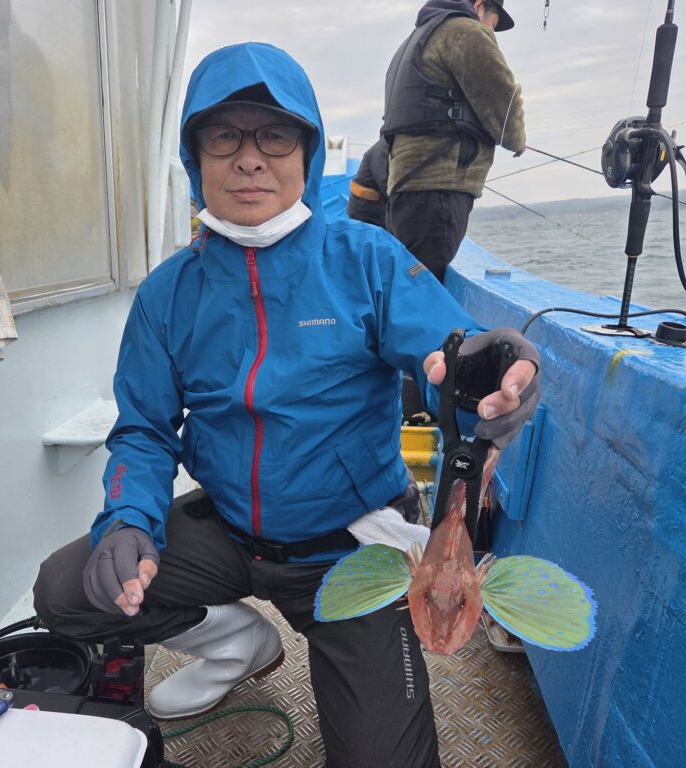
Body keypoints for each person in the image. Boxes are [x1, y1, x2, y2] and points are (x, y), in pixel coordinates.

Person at [33, 42, 540, 768]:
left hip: (350, 550)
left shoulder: (367, 260)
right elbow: (144, 431)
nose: (249, 158)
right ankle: (234, 642)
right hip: (229, 531)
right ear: (194, 157)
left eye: (274, 135)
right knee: (66, 589)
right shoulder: (166, 294)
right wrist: (128, 520)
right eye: (223, 135)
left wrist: (484, 373)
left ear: (306, 150)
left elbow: (446, 358)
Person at [384, 0, 526, 282]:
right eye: (493, 25)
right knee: (425, 291)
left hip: (404, 189)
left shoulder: (414, 41)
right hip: (439, 192)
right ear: (479, 4)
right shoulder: (465, 31)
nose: (490, 33)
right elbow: (504, 104)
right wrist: (518, 139)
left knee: (407, 285)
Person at [346, 136, 390, 228]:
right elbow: (385, 181)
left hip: (372, 207)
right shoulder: (383, 147)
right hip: (365, 209)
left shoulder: (384, 145)